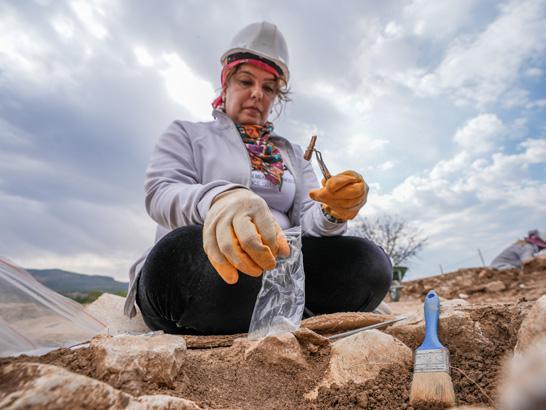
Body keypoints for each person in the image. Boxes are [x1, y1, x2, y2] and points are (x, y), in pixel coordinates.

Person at [124, 22, 392, 335]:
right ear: (225, 84)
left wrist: (333, 211)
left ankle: (272, 307)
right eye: (245, 81)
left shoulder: (290, 154)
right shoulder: (187, 134)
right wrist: (220, 199)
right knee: (190, 259)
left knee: (368, 264)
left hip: (280, 268)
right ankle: (282, 309)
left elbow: (309, 220)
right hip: (207, 259)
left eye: (268, 88)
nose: (256, 94)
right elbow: (161, 193)